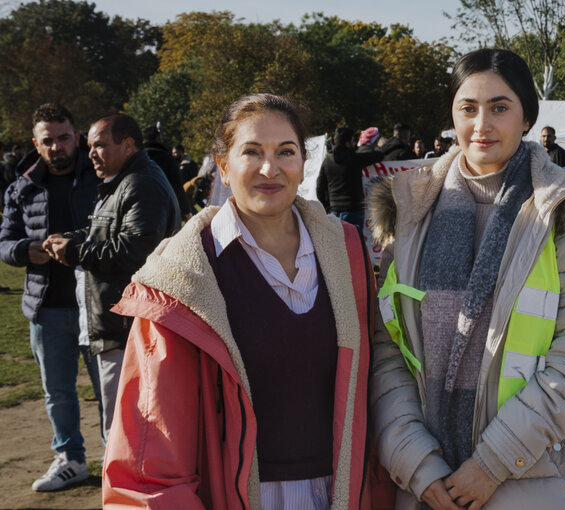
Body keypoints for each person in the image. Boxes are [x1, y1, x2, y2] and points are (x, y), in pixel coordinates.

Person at [368, 48, 565, 510]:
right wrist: (418, 465)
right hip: (430, 485)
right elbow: (387, 354)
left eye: (499, 107)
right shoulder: (408, 212)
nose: (481, 124)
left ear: (526, 118)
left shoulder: (564, 211)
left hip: (541, 478)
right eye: (468, 108)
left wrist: (492, 464)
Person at [102, 93, 376, 509]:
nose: (271, 168)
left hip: (342, 492)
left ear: (303, 163)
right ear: (224, 167)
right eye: (252, 152)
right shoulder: (180, 278)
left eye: (286, 151)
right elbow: (149, 454)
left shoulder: (347, 252)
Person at [43, 114, 180, 441]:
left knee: (127, 433)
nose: (91, 154)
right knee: (123, 427)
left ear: (128, 145)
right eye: (90, 146)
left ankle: (127, 493)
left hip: (127, 328)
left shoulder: (141, 183)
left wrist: (74, 251)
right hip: (119, 325)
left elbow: (134, 249)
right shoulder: (124, 181)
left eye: (100, 145)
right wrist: (70, 238)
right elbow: (103, 230)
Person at [0, 103, 102, 491]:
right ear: (35, 143)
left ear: (76, 137)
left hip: (98, 305)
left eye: (63, 138)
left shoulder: (100, 176)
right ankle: (70, 460)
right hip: (47, 308)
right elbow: (4, 243)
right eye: (48, 141)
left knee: (109, 390)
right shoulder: (20, 187)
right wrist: (27, 249)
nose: (57, 147)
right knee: (57, 391)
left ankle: (117, 460)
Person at [316, 126, 385, 231]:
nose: (354, 144)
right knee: (353, 245)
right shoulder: (354, 159)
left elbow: (320, 187)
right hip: (353, 211)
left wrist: (326, 205)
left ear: (335, 140)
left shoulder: (327, 161)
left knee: (337, 245)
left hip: (334, 212)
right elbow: (378, 156)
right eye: (353, 141)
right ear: (347, 143)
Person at [143, 126, 191, 220]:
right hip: (163, 212)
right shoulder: (168, 160)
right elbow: (177, 188)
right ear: (160, 139)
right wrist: (186, 211)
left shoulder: (134, 159)